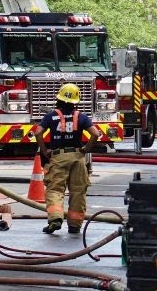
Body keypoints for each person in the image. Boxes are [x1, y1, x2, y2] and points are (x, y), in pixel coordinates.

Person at [34, 82, 106, 235]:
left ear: (59, 99)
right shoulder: (81, 117)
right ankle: (74, 225)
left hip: (58, 157)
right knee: (78, 191)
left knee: (55, 189)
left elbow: (38, 132)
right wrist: (86, 149)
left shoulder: (50, 116)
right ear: (75, 101)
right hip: (78, 158)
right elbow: (95, 134)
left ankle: (55, 218)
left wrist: (44, 150)